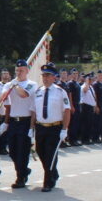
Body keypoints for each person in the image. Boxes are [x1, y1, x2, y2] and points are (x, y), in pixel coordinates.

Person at [32, 63, 71, 192]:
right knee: (40, 151)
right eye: (43, 75)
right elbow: (34, 111)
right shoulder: (38, 91)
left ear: (54, 77)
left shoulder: (60, 92)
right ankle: (53, 172)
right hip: (41, 127)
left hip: (54, 127)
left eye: (48, 75)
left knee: (50, 153)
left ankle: (47, 181)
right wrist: (31, 128)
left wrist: (64, 129)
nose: (45, 78)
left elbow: (66, 111)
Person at [1, 59, 36, 188]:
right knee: (12, 151)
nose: (19, 73)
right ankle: (24, 170)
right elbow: (3, 98)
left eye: (21, 70)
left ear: (27, 71)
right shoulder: (10, 84)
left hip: (25, 121)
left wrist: (14, 86)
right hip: (13, 121)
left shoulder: (31, 84)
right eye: (17, 70)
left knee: (22, 150)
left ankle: (20, 177)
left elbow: (23, 95)